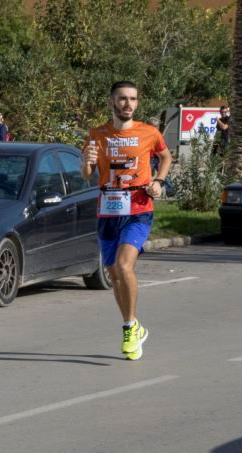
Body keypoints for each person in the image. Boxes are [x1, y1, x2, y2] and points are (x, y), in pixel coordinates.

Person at [81, 81, 172, 360]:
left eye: (132, 99)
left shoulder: (149, 132)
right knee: (114, 274)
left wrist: (158, 182)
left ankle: (129, 327)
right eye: (122, 99)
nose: (128, 104)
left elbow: (165, 157)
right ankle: (133, 325)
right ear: (112, 102)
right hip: (108, 211)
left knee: (123, 265)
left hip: (138, 209)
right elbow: (87, 174)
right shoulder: (97, 134)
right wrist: (86, 160)